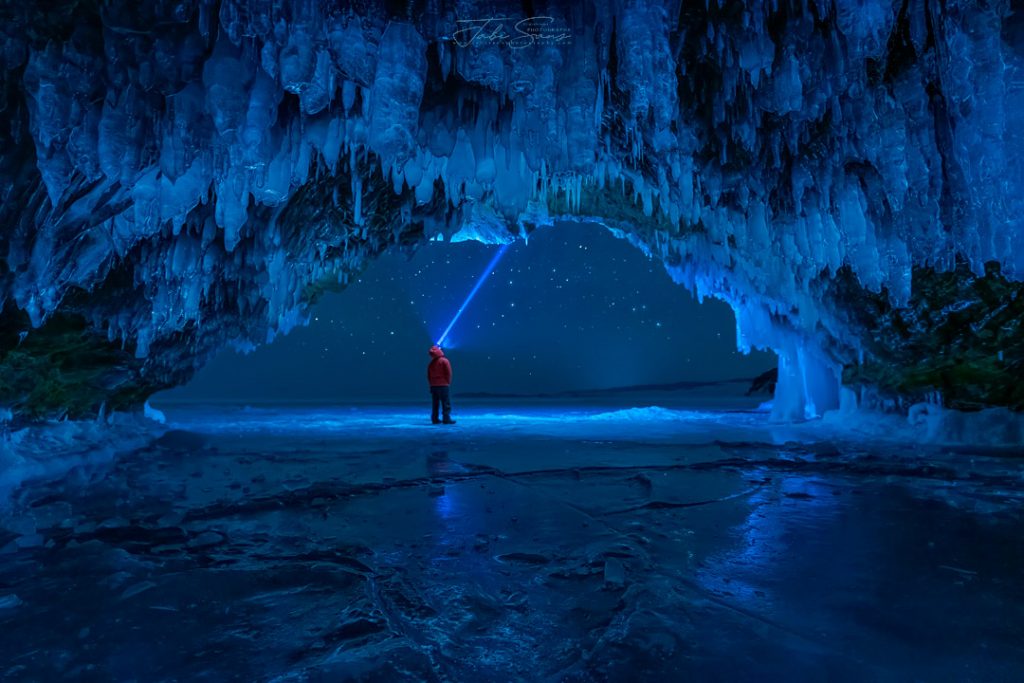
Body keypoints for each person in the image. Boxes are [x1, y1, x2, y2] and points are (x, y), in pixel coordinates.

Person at [427, 345, 456, 424]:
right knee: (445, 403)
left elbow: (428, 375)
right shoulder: (444, 360)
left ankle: (434, 419)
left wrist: (431, 384)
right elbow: (449, 373)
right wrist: (448, 382)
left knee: (435, 403)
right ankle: (446, 419)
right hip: (443, 385)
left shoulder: (431, 363)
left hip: (434, 386)